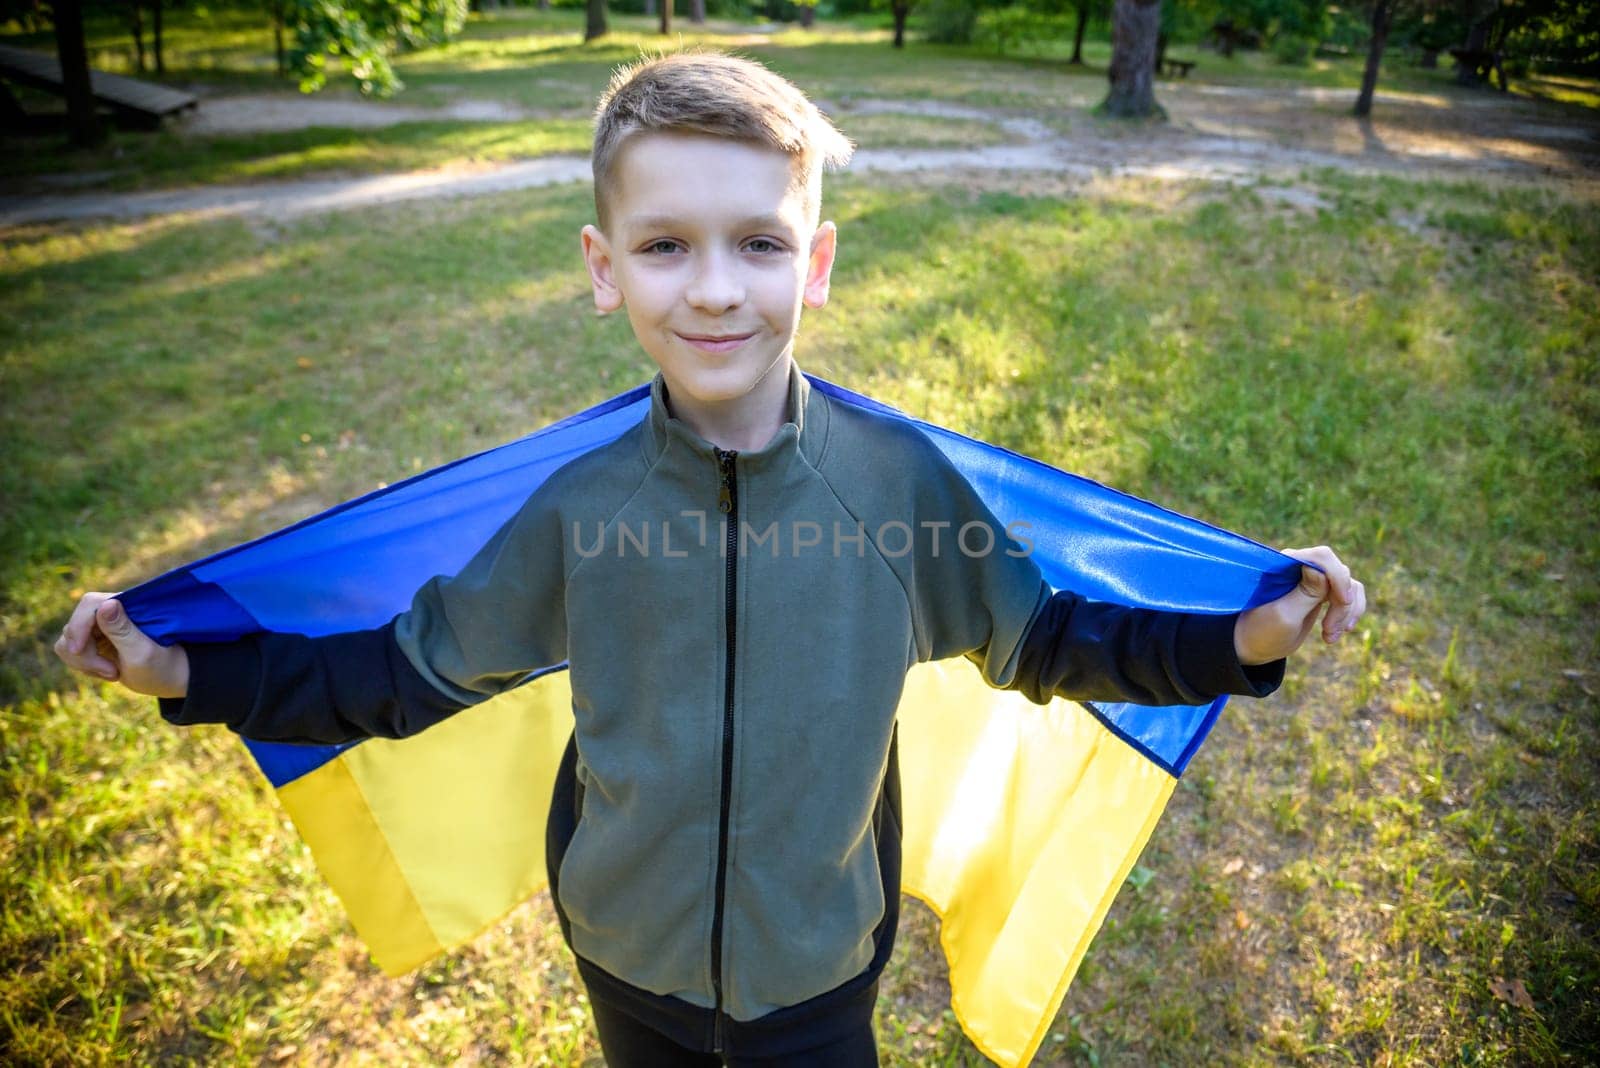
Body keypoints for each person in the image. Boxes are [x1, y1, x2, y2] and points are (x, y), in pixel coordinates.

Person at [55, 51, 1367, 1067]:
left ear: (820, 262)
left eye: (761, 241)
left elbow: (1057, 640)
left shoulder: (898, 490)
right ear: (602, 269)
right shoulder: (582, 511)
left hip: (819, 976)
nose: (718, 289)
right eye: (666, 245)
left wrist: (1245, 642)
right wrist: (184, 671)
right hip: (626, 961)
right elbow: (400, 678)